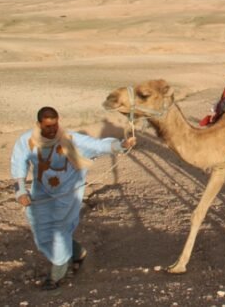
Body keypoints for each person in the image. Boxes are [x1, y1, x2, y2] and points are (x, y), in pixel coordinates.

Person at [11, 106, 135, 290]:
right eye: (47, 126)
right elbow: (18, 163)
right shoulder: (26, 141)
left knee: (58, 230)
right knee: (41, 232)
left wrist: (121, 145)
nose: (52, 130)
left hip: (68, 194)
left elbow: (97, 145)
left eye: (55, 125)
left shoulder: (71, 139)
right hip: (41, 193)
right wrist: (21, 191)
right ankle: (78, 253)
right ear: (38, 124)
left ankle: (56, 275)